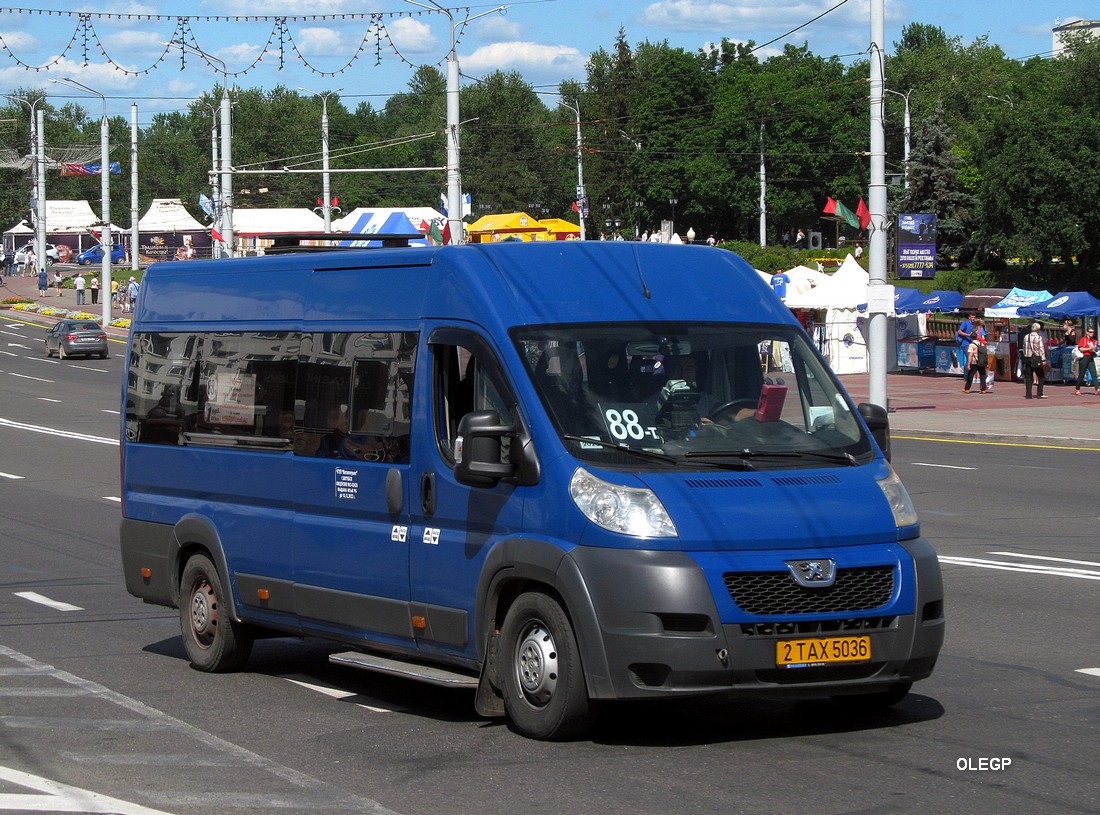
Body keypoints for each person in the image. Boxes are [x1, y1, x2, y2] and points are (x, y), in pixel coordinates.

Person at [1020, 322, 1048, 399]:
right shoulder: (1039, 338)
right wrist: (1043, 359)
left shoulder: (1026, 336)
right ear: (1038, 329)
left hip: (1027, 358)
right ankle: (1040, 393)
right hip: (1036, 358)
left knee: (1028, 377)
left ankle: (1028, 394)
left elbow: (1024, 347)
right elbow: (1041, 350)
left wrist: (1026, 355)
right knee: (1041, 376)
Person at [1073, 326, 1098, 396]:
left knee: (1094, 373)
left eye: (1093, 332)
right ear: (1087, 332)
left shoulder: (1093, 341)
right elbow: (1081, 349)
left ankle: (1098, 388)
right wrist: (1090, 348)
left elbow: (1095, 350)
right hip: (1084, 357)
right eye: (1090, 332)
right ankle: (1077, 389)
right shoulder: (1083, 340)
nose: (1092, 333)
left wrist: (1095, 347)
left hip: (1090, 357)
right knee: (1081, 374)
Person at [963, 327, 989, 394]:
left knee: (970, 376)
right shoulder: (981, 343)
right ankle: (983, 389)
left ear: (971, 338)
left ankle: (967, 389)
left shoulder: (971, 345)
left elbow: (971, 355)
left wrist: (968, 364)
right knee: (983, 375)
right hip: (981, 361)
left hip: (974, 362)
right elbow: (985, 353)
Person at [955, 312, 975, 385]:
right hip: (965, 343)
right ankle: (966, 376)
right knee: (969, 358)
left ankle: (971, 375)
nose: (973, 319)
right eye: (972, 317)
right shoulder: (965, 323)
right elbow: (959, 331)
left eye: (974, 317)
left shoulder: (975, 324)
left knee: (972, 359)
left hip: (972, 344)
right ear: (969, 317)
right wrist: (968, 335)